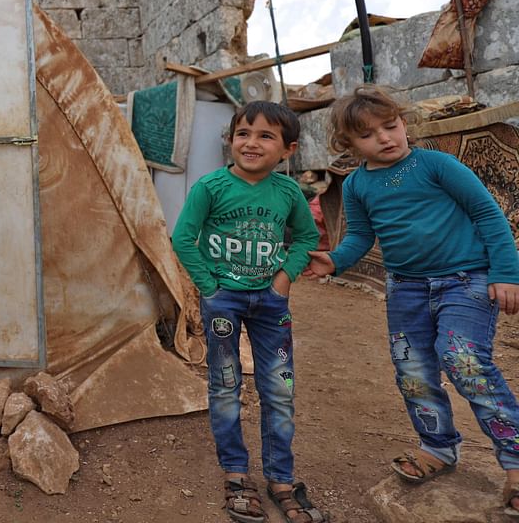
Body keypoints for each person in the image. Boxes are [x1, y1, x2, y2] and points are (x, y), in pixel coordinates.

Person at [305, 85, 519, 517]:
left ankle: (515, 459)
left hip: (466, 280)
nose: (385, 137)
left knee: (462, 358)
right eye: (369, 134)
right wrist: (335, 260)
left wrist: (506, 273)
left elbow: (486, 213)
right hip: (406, 288)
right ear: (348, 145)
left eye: (391, 125)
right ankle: (438, 447)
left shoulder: (435, 164)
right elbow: (362, 237)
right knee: (413, 369)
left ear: (404, 123)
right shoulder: (358, 185)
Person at [171, 101, 326, 523]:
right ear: (231, 140)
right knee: (225, 386)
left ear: (287, 149)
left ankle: (280, 478)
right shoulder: (211, 187)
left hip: (270, 304)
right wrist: (209, 287)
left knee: (279, 388)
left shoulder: (289, 192)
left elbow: (305, 237)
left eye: (265, 136)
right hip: (224, 302)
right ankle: (236, 475)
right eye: (244, 133)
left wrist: (284, 279)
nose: (251, 143)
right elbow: (183, 238)